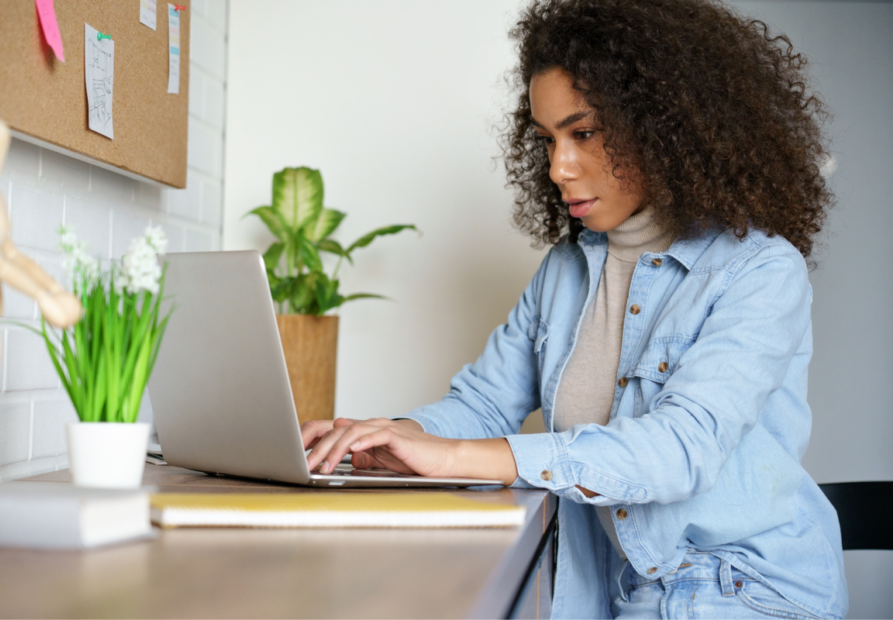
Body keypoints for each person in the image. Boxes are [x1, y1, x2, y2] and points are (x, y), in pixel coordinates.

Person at [302, 0, 847, 618]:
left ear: (665, 125)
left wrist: (454, 459)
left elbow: (680, 451)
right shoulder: (567, 268)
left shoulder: (760, 271)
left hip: (740, 590)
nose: (559, 168)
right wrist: (393, 437)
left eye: (583, 133)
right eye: (548, 139)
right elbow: (483, 403)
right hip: (614, 587)